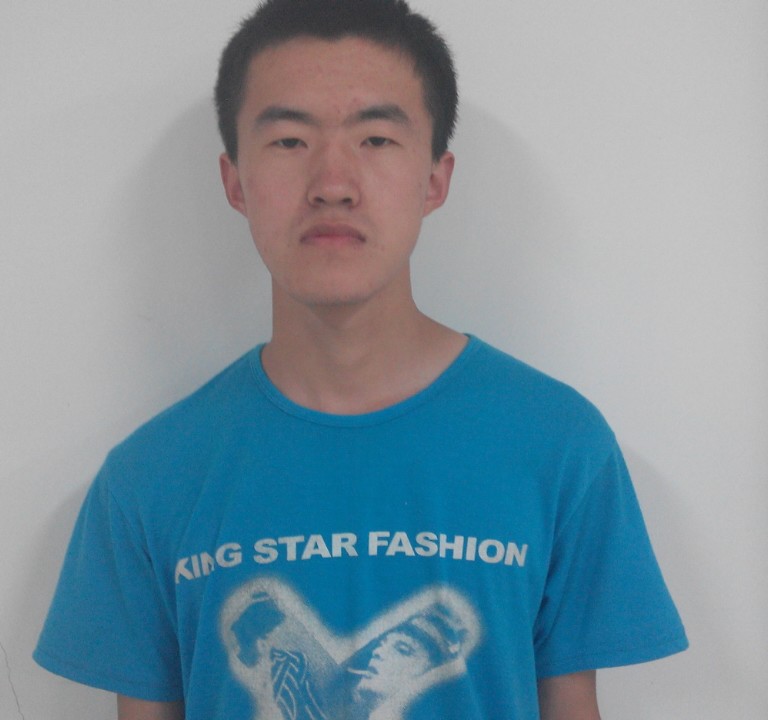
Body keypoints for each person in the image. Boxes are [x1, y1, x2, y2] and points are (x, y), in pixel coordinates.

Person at [33, 1, 688, 718]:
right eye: (289, 141)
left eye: (376, 139)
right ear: (235, 181)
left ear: (435, 179)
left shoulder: (559, 447)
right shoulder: (150, 479)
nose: (333, 183)